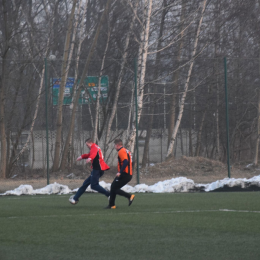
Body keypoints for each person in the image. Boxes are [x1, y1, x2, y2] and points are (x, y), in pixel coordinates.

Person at [69, 138, 110, 205]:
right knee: (85, 184)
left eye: (87, 145)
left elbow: (92, 155)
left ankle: (109, 194)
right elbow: (90, 154)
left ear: (91, 143)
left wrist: (90, 158)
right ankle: (75, 199)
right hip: (99, 169)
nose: (87, 146)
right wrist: (82, 157)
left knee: (94, 185)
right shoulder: (95, 147)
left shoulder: (94, 147)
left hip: (97, 169)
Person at [105, 139, 135, 209]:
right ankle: (111, 205)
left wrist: (120, 172)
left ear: (117, 145)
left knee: (115, 188)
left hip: (125, 174)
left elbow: (125, 162)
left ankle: (129, 196)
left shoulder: (121, 151)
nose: (114, 147)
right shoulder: (126, 150)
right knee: (113, 187)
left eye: (114, 145)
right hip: (127, 173)